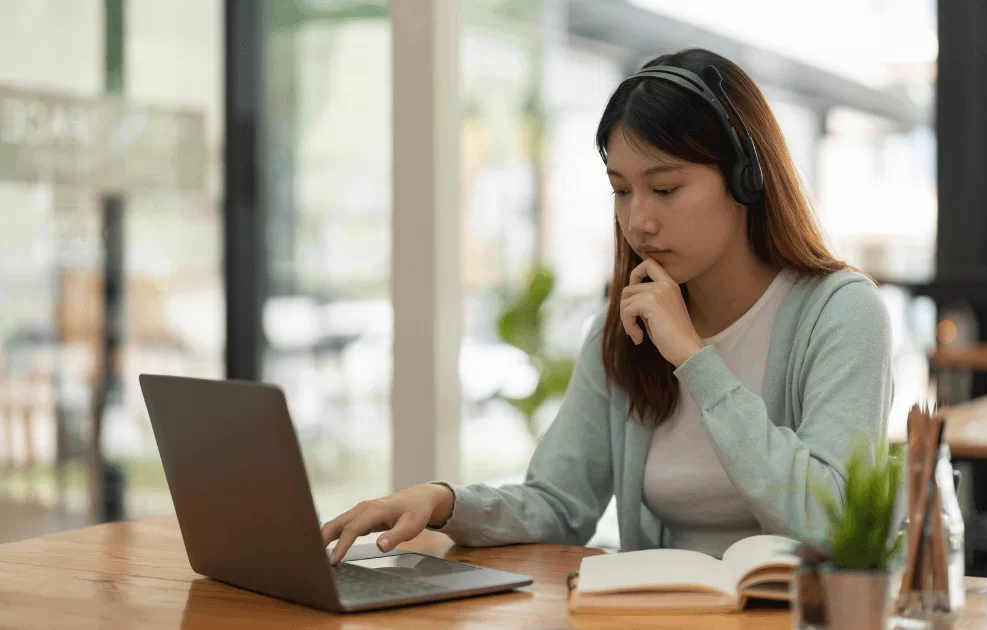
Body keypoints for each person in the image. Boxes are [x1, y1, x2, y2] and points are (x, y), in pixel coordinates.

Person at [321, 47, 894, 564]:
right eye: (621, 190)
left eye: (665, 189)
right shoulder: (625, 328)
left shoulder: (841, 312)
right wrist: (444, 502)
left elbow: (834, 525)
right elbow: (559, 503)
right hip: (658, 614)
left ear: (746, 180)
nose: (638, 221)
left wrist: (697, 361)